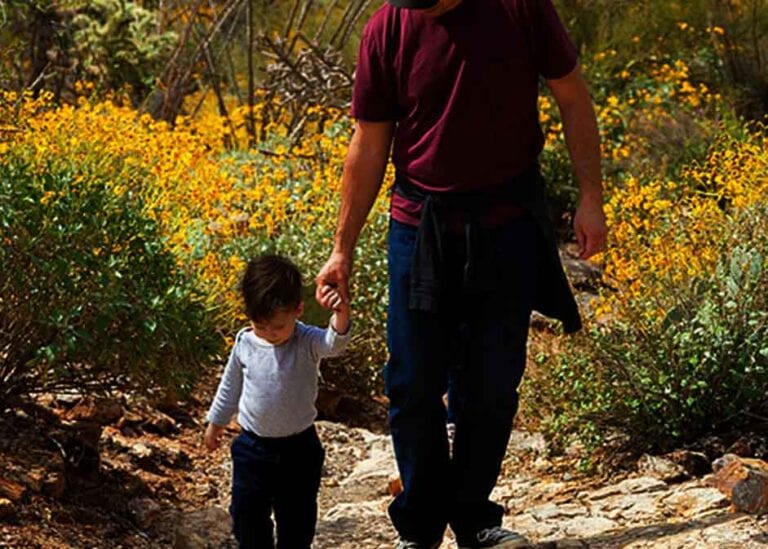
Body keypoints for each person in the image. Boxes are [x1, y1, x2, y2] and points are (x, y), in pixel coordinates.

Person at [315, 0, 608, 547]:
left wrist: (591, 197)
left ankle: (475, 519)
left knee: (492, 383)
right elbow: (370, 140)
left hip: (506, 222)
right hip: (418, 226)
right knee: (411, 382)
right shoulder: (387, 27)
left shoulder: (520, 8)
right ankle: (421, 528)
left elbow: (573, 97)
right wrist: (342, 248)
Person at [205, 254, 351, 549]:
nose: (271, 333)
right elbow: (230, 385)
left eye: (279, 326)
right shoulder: (245, 342)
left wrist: (341, 311)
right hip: (253, 448)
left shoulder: (306, 340)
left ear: (298, 310)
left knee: (297, 520)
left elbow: (334, 344)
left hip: (299, 448)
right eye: (262, 325)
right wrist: (215, 423)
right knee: (246, 514)